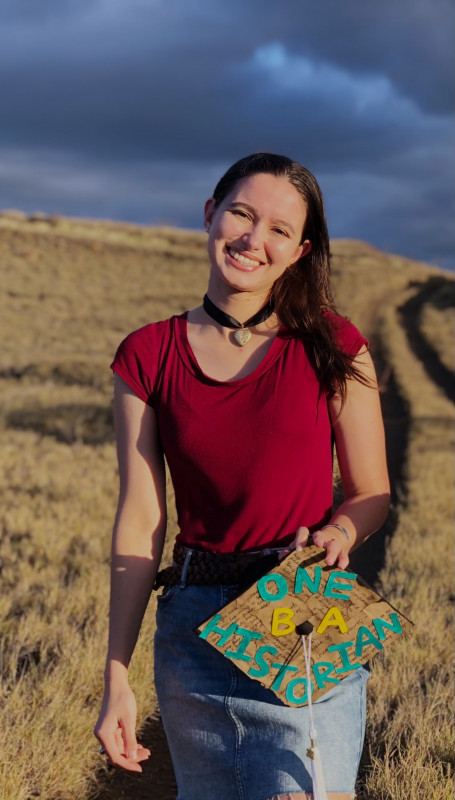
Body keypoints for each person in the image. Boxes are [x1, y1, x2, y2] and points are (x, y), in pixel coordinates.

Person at [94, 152, 390, 800]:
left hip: (303, 610)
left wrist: (340, 531)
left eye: (279, 230)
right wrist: (116, 674)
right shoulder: (146, 355)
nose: (254, 240)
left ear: (299, 250)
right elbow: (141, 519)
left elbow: (371, 491)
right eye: (241, 214)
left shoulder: (332, 344)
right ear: (210, 214)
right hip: (192, 631)